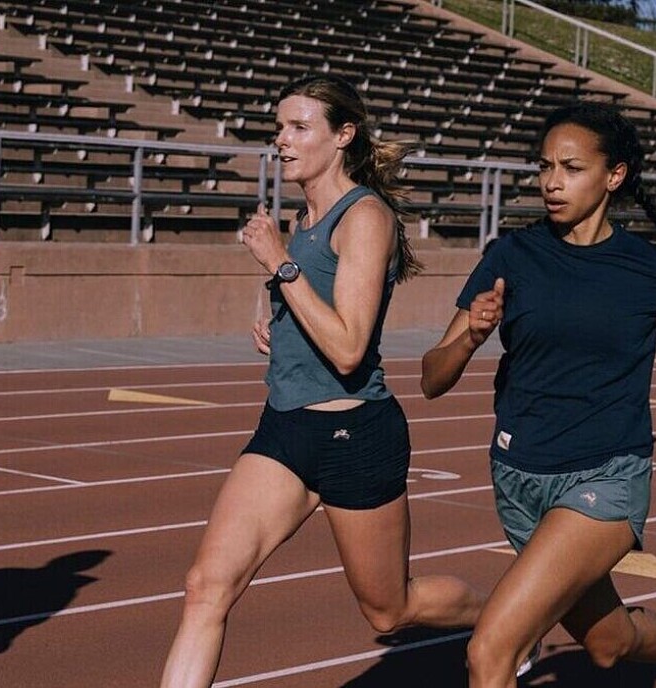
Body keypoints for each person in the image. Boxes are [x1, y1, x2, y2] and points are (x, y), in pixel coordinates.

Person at [421, 101, 656, 688]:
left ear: (614, 176)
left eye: (571, 168)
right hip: (518, 476)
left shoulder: (650, 268)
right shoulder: (511, 255)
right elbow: (432, 379)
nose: (552, 182)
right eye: (544, 167)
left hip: (604, 476)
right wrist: (471, 338)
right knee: (608, 644)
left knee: (490, 650)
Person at [160, 74, 484, 688]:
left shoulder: (364, 217)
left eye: (298, 127)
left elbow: (349, 348)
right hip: (285, 429)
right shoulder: (303, 215)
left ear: (343, 136)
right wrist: (278, 321)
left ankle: (504, 621)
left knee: (389, 610)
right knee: (206, 586)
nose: (281, 140)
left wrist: (279, 264)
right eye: (279, 127)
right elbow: (315, 306)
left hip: (352, 435)